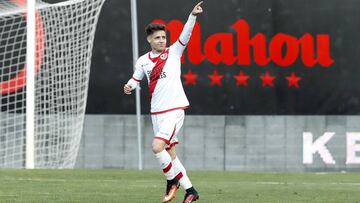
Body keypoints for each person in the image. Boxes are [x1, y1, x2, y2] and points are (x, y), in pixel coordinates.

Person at [123, 2, 203, 203]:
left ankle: (171, 181)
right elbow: (136, 78)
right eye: (157, 37)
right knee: (170, 154)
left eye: (163, 37)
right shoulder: (143, 60)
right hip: (156, 113)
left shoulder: (174, 52)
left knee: (157, 147)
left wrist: (192, 16)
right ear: (149, 39)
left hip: (174, 111)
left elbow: (186, 34)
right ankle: (191, 191)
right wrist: (129, 86)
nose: (161, 40)